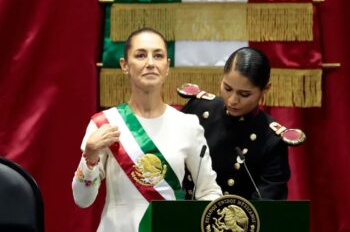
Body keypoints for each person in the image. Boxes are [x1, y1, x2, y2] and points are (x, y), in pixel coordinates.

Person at [72, 27, 222, 232]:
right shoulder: (105, 123)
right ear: (125, 65)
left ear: (167, 66)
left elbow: (210, 193)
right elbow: (82, 199)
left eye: (158, 55)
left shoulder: (188, 125)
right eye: (141, 55)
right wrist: (90, 154)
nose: (150, 63)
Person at [179, 47, 298, 200]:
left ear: (265, 89)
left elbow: (267, 205)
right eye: (227, 88)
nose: (232, 100)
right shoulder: (198, 109)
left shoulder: (271, 139)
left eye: (244, 94)